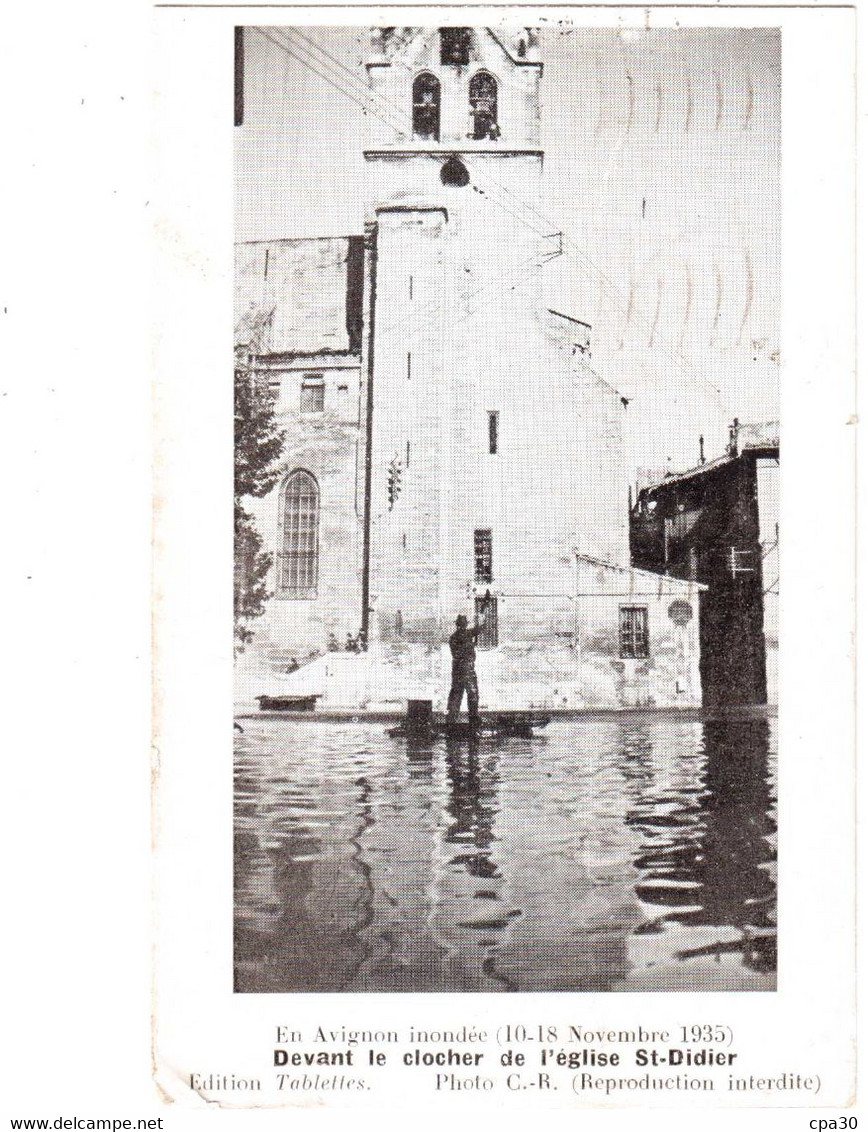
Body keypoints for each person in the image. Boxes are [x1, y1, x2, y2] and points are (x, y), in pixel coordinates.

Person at [446, 594, 491, 730]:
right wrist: (483, 609)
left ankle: (451, 720)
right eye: (464, 624)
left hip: (458, 670)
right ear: (463, 625)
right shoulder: (463, 635)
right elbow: (480, 628)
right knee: (472, 693)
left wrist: (483, 608)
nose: (463, 626)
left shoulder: (455, 637)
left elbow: (479, 628)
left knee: (456, 694)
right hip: (466, 669)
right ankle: (472, 719)